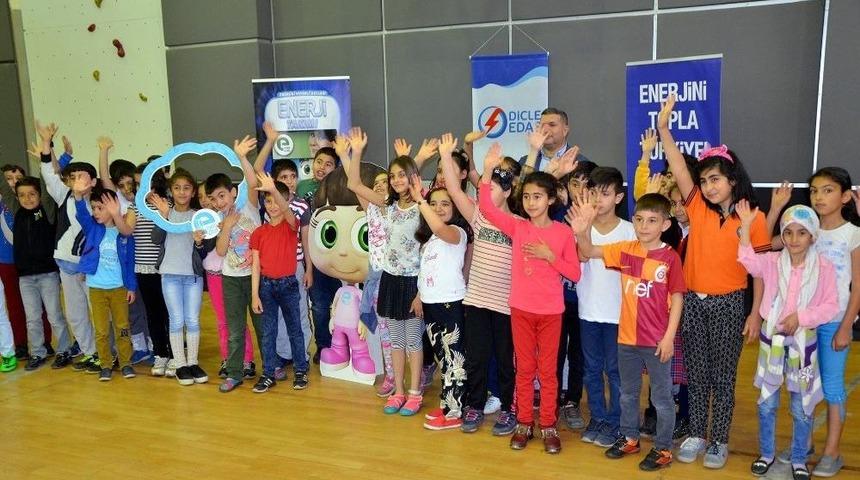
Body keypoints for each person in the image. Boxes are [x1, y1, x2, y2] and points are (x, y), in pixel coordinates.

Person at [658, 96, 770, 469]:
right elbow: (678, 165)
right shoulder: (696, 208)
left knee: (723, 377)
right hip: (693, 301)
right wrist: (664, 129)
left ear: (732, 180)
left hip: (729, 304)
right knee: (697, 374)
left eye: (715, 179)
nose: (707, 187)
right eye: (704, 180)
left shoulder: (754, 219)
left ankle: (719, 440)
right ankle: (696, 433)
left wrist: (755, 313)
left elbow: (760, 272)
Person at [479, 142, 582, 454]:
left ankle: (548, 424)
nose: (531, 202)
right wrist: (487, 171)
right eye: (526, 196)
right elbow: (487, 209)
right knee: (524, 370)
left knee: (548, 372)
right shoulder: (518, 226)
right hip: (521, 310)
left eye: (537, 196)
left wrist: (550, 256)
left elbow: (574, 273)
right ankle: (524, 422)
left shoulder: (563, 233)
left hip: (550, 313)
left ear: (550, 199)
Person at [571, 193, 686, 471]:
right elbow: (589, 251)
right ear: (633, 220)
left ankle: (663, 448)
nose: (644, 226)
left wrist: (669, 337)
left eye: (652, 221)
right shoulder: (625, 250)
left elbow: (678, 297)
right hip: (627, 339)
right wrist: (582, 231)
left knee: (661, 398)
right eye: (639, 219)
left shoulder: (670, 258)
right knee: (627, 393)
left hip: (656, 341)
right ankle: (630, 437)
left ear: (665, 225)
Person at [767, 168, 860, 477]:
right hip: (802, 325)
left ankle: (832, 452)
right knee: (803, 386)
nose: (819, 196)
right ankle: (803, 446)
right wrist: (776, 210)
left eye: (828, 190)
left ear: (845, 197)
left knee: (831, 388)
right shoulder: (804, 228)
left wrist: (846, 326)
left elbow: (858, 287)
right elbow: (765, 247)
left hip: (833, 323)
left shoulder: (853, 234)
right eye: (814, 190)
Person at [737, 202, 838, 480]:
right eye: (788, 232)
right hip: (772, 344)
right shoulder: (771, 262)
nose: (794, 239)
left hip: (803, 347)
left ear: (812, 236)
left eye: (802, 233)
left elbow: (831, 305)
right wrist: (745, 226)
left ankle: (799, 458)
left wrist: (802, 317)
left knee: (801, 405)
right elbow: (748, 262)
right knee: (767, 403)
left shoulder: (824, 267)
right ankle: (766, 454)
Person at [437, 134, 517, 436]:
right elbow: (454, 189)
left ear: (507, 192)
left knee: (506, 361)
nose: (487, 191)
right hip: (477, 302)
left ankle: (509, 408)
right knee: (477, 358)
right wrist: (446, 155)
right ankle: (474, 405)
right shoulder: (479, 217)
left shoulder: (518, 224)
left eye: (493, 187)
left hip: (507, 306)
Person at [345, 128, 425, 417]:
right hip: (390, 279)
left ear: (413, 177)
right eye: (393, 176)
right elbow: (354, 183)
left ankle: (415, 393)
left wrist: (421, 292)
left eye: (402, 175)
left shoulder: (422, 207)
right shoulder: (387, 205)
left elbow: (428, 251)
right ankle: (399, 391)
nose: (396, 180)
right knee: (396, 342)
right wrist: (356, 151)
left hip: (413, 282)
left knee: (413, 341)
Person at [37, 121, 106, 373]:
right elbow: (48, 172)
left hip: (90, 268)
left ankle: (105, 353)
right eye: (73, 177)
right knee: (75, 314)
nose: (76, 180)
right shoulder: (63, 194)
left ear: (93, 181)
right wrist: (47, 143)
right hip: (65, 265)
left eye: (81, 176)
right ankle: (90, 352)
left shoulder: (100, 203)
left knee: (98, 312)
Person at [577, 166, 636, 448]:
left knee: (615, 371)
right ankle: (598, 417)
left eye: (605, 193)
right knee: (591, 369)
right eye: (593, 193)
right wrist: (582, 229)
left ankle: (616, 422)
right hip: (588, 310)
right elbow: (579, 257)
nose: (598, 200)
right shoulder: (581, 227)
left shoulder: (630, 231)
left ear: (618, 197)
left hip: (618, 314)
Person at [410, 177, 473, 430]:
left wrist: (421, 200)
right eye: (433, 203)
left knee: (455, 359)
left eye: (445, 204)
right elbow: (426, 271)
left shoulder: (457, 233)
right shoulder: (430, 240)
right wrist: (419, 296)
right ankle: (448, 405)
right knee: (444, 360)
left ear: (455, 208)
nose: (438, 208)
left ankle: (455, 412)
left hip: (450, 303)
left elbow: (439, 229)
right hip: (431, 303)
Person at [208, 135, 263, 393]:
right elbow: (220, 251)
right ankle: (234, 373)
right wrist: (227, 227)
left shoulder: (248, 205)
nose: (219, 202)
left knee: (262, 325)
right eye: (213, 199)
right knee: (235, 329)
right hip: (231, 278)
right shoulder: (219, 220)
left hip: (256, 276)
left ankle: (270, 368)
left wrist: (241, 156)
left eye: (222, 195)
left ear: (232, 192)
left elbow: (252, 181)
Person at [149, 170, 209, 386]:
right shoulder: (166, 212)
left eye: (186, 188)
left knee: (192, 320)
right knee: (176, 320)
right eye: (177, 188)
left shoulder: (199, 215)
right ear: (171, 191)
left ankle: (192, 363)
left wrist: (199, 242)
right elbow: (156, 239)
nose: (182, 192)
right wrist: (164, 216)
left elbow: (206, 248)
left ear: (193, 191)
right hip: (170, 275)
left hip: (192, 276)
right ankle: (180, 365)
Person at [73, 181, 137, 381]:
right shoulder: (92, 228)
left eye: (100, 208)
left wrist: (131, 287)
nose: (96, 212)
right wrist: (78, 196)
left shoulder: (123, 233)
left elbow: (130, 262)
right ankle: (105, 364)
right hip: (96, 288)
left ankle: (126, 363)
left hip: (119, 289)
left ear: (114, 207)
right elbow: (82, 214)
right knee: (101, 330)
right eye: (94, 208)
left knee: (122, 327)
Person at [250, 174, 305, 392]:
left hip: (288, 285)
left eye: (276, 201)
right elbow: (255, 265)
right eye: (268, 201)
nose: (272, 206)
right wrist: (255, 294)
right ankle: (268, 373)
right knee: (268, 332)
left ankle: (300, 370)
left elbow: (287, 211)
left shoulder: (291, 225)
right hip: (266, 287)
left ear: (285, 201)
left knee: (295, 330)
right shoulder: (259, 233)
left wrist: (273, 189)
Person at [12, 177, 71, 370]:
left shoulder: (46, 211)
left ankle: (64, 351)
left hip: (47, 274)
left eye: (32, 194)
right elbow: (5, 187)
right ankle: (37, 353)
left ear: (39, 194)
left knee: (54, 315)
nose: (27, 199)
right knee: (32, 318)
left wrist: (45, 160)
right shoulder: (17, 213)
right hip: (25, 277)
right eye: (22, 195)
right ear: (16, 198)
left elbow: (46, 189)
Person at [519, 107, 589, 174]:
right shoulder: (524, 162)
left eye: (552, 125)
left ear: (565, 131)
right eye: (542, 125)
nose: (545, 130)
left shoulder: (580, 163)